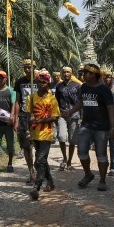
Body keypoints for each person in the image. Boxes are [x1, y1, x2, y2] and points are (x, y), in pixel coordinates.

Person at [65, 63, 114, 191]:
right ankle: (88, 174)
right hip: (86, 126)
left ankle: (103, 180)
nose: (85, 75)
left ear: (95, 75)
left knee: (101, 154)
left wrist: (113, 127)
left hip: (101, 128)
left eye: (88, 73)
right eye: (84, 73)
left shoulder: (104, 89)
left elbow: (111, 108)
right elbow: (81, 102)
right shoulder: (83, 87)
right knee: (81, 152)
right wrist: (70, 112)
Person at [25, 70, 60, 200]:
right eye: (39, 82)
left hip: (47, 133)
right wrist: (28, 129)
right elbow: (28, 115)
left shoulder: (52, 99)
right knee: (40, 161)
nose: (41, 85)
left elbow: (55, 117)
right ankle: (50, 181)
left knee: (40, 160)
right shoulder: (31, 98)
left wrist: (40, 120)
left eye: (44, 83)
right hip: (35, 133)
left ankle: (36, 187)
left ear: (48, 84)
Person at [12, 59, 38, 184]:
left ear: (34, 68)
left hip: (38, 116)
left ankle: (40, 169)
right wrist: (16, 119)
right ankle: (31, 172)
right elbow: (17, 101)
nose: (28, 70)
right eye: (25, 67)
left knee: (38, 145)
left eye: (30, 67)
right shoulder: (19, 82)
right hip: (23, 116)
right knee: (26, 146)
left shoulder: (40, 81)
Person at [53, 66, 80, 170]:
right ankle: (64, 158)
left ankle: (69, 161)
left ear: (71, 73)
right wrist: (56, 114)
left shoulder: (77, 86)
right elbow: (56, 101)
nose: (66, 74)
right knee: (61, 136)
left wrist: (81, 116)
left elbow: (80, 102)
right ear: (61, 73)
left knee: (72, 140)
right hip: (62, 115)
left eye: (68, 72)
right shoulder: (59, 86)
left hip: (74, 114)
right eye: (64, 72)